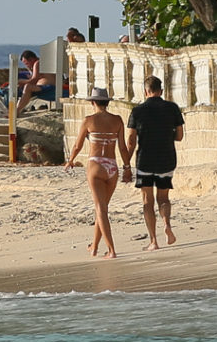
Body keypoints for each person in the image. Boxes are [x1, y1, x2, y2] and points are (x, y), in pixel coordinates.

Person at [65, 88, 129, 257]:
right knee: (102, 208)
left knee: (100, 208)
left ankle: (111, 250)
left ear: (93, 102)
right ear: (107, 102)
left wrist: (70, 160)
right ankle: (94, 246)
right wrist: (128, 167)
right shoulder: (117, 120)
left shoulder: (89, 121)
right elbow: (122, 147)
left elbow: (78, 145)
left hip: (96, 165)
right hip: (112, 167)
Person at [127, 74, 187, 248]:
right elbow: (180, 136)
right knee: (164, 197)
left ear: (146, 91)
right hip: (166, 158)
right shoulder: (172, 108)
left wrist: (126, 163)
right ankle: (167, 224)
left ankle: (153, 241)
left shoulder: (137, 111)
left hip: (145, 160)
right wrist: (167, 136)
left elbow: (131, 139)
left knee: (147, 201)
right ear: (161, 90)